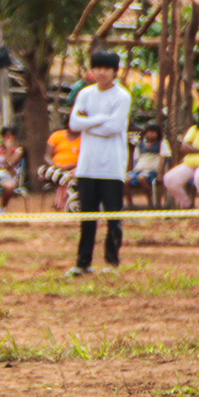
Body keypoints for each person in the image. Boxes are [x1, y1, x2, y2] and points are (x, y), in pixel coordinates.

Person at [67, 50, 132, 276]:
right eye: (98, 68)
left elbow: (113, 128)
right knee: (87, 217)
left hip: (112, 167)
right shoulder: (85, 94)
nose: (102, 72)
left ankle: (111, 263)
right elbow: (74, 124)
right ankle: (83, 262)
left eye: (107, 68)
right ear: (92, 70)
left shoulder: (122, 96)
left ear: (115, 71)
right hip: (87, 166)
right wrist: (101, 119)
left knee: (113, 218)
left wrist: (88, 123)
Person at [42, 123, 81, 212]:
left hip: (74, 169)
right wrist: (55, 165)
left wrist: (69, 166)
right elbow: (47, 156)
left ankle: (68, 205)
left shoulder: (84, 138)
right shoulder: (57, 135)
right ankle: (65, 204)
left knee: (69, 178)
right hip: (55, 168)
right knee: (60, 175)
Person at [128, 122, 165, 208]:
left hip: (151, 170)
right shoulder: (140, 145)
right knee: (126, 180)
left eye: (154, 132)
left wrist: (160, 173)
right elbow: (136, 159)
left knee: (142, 178)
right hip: (138, 170)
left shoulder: (162, 144)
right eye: (149, 132)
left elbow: (163, 159)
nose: (151, 134)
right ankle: (130, 204)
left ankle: (150, 203)